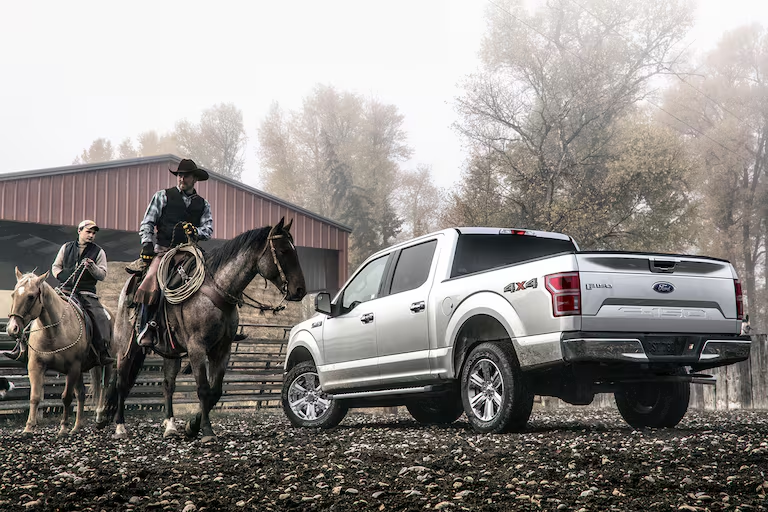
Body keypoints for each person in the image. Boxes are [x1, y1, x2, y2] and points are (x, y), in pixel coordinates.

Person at [126, 158, 213, 347]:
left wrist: (196, 231)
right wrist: (147, 244)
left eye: (186, 176)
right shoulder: (162, 196)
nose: (181, 178)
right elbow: (147, 222)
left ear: (194, 179)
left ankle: (217, 326)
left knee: (215, 280)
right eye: (179, 175)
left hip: (191, 254)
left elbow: (208, 230)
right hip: (163, 252)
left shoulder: (203, 204)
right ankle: (146, 327)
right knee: (150, 282)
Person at [52, 219, 114, 365]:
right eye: (88, 232)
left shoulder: (99, 252)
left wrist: (92, 267)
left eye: (93, 233)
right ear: (79, 231)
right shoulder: (66, 248)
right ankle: (23, 346)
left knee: (99, 317)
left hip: (87, 293)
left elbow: (102, 275)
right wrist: (62, 276)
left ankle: (102, 351)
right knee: (41, 306)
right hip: (64, 290)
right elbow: (55, 266)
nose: (91, 235)